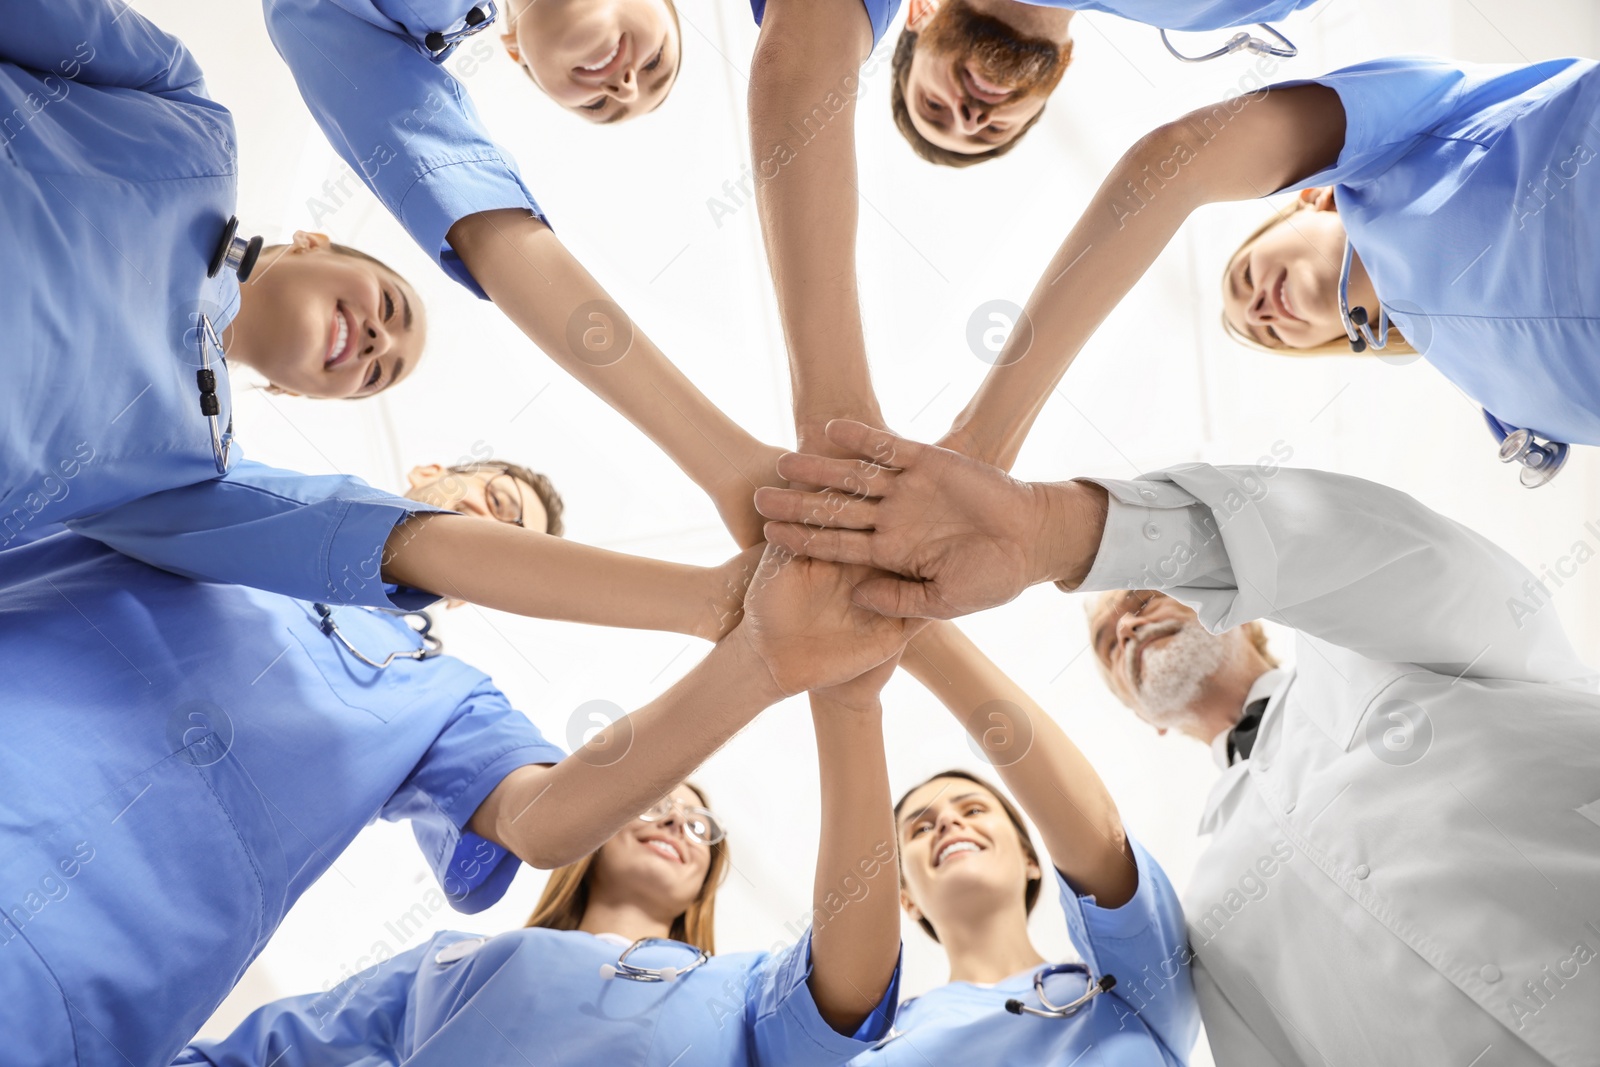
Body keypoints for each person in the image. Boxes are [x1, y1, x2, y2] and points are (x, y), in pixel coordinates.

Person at [754, 421, 1600, 1066]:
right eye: (1102, 639)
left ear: (1248, 609)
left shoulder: (1377, 643)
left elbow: (1388, 555)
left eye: (1144, 593)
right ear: (1139, 716)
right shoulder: (1213, 918)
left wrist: (1060, 531)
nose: (1123, 617)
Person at [0, 491, 916, 1067]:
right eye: (493, 498)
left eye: (521, 538)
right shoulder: (237, 492)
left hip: (83, 988)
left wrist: (763, 656)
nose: (499, 529)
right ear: (429, 473)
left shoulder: (447, 699)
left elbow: (545, 816)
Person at [0, 0, 756, 625]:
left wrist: (718, 604)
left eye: (377, 372)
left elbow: (377, 544)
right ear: (316, 240)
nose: (374, 338)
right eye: (390, 307)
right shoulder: (180, 117)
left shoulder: (184, 478)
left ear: (300, 397)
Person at [894, 55, 1600, 477]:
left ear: (1308, 201)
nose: (1260, 309)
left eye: (1244, 281)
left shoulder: (1388, 152)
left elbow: (1180, 159)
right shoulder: (1496, 398)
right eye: (1263, 331)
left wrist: (981, 440)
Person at [263, 0, 789, 551]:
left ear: (517, 53)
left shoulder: (346, 33)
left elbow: (486, 226)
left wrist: (730, 467)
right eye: (658, 60)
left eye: (598, 106)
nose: (627, 88)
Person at [179, 670, 904, 1065]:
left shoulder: (743, 989)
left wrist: (851, 703)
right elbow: (271, 1050)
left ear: (707, 872)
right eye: (656, 804)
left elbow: (846, 980)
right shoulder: (449, 962)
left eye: (698, 825)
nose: (675, 823)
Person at [857, 623, 1198, 1065]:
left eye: (974, 810)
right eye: (920, 829)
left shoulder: (1132, 984)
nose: (947, 823)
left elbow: (1100, 841)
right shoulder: (870, 1048)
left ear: (1030, 859)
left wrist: (916, 629)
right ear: (906, 900)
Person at [890, 0, 1320, 166]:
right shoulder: (1234, 7)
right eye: (993, 130)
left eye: (933, 106)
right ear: (1059, 72)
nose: (969, 120)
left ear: (919, 12)